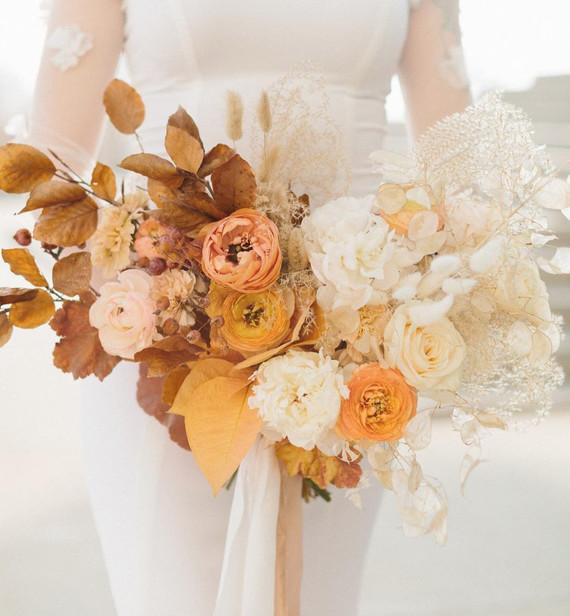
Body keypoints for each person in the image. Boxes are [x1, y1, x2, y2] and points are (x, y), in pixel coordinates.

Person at [28, 1, 470, 614]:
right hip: (164, 344)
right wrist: (155, 275)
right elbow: (51, 158)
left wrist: (418, 274)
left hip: (357, 346)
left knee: (319, 596)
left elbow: (456, 161)